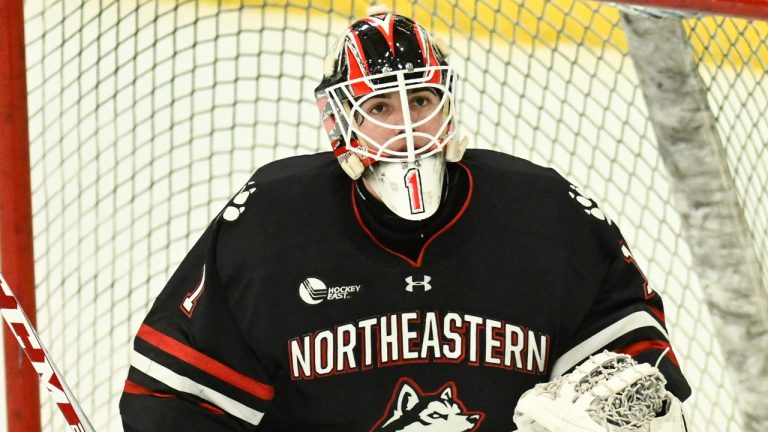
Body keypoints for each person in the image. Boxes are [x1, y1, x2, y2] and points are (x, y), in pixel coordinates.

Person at [119, 9, 691, 431]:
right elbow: (173, 397)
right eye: (379, 109)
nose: (408, 128)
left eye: (420, 101)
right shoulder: (273, 224)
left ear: (448, 102)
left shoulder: (542, 213)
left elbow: (637, 382)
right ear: (340, 119)